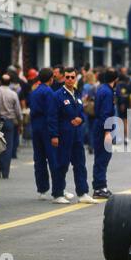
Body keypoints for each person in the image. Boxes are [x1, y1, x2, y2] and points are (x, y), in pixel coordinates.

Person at [48, 67, 94, 204]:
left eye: (72, 77)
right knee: (61, 164)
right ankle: (58, 193)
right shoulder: (57, 95)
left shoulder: (77, 94)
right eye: (67, 77)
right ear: (64, 78)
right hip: (63, 135)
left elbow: (81, 112)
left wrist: (81, 119)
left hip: (77, 136)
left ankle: (83, 192)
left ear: (75, 78)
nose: (69, 79)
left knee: (80, 164)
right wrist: (54, 135)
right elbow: (52, 117)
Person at [29, 68, 57, 200]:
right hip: (46, 126)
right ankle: (58, 188)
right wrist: (54, 133)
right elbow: (51, 113)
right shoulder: (49, 92)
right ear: (51, 78)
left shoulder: (34, 91)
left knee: (39, 159)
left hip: (36, 126)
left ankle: (42, 189)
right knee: (53, 158)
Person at [92, 69, 118, 199]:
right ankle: (100, 187)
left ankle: (99, 186)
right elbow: (105, 113)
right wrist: (107, 132)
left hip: (98, 126)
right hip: (103, 128)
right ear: (115, 79)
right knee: (103, 157)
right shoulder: (108, 92)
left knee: (100, 158)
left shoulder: (102, 89)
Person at [0, 74, 22, 179]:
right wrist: (20, 122)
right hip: (9, 122)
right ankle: (5, 172)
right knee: (8, 147)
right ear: (9, 83)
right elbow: (18, 111)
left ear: (0, 82)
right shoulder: (13, 94)